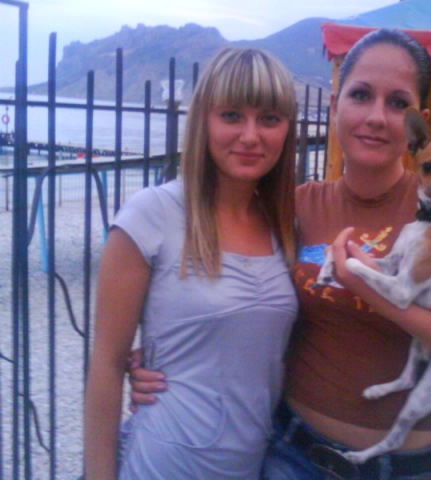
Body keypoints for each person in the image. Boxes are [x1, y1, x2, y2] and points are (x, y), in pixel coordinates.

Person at [130, 29, 431, 480]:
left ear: (418, 124)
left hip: (407, 470)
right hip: (292, 455)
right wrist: (165, 360)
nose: (376, 117)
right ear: (335, 106)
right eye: (360, 95)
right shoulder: (295, 205)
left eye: (397, 103)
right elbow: (233, 300)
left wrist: (381, 296)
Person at [83, 47, 299, 480]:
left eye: (269, 119)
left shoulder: (284, 225)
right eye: (232, 116)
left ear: (287, 129)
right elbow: (106, 365)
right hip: (164, 464)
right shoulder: (151, 215)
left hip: (254, 465)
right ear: (203, 120)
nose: (251, 135)